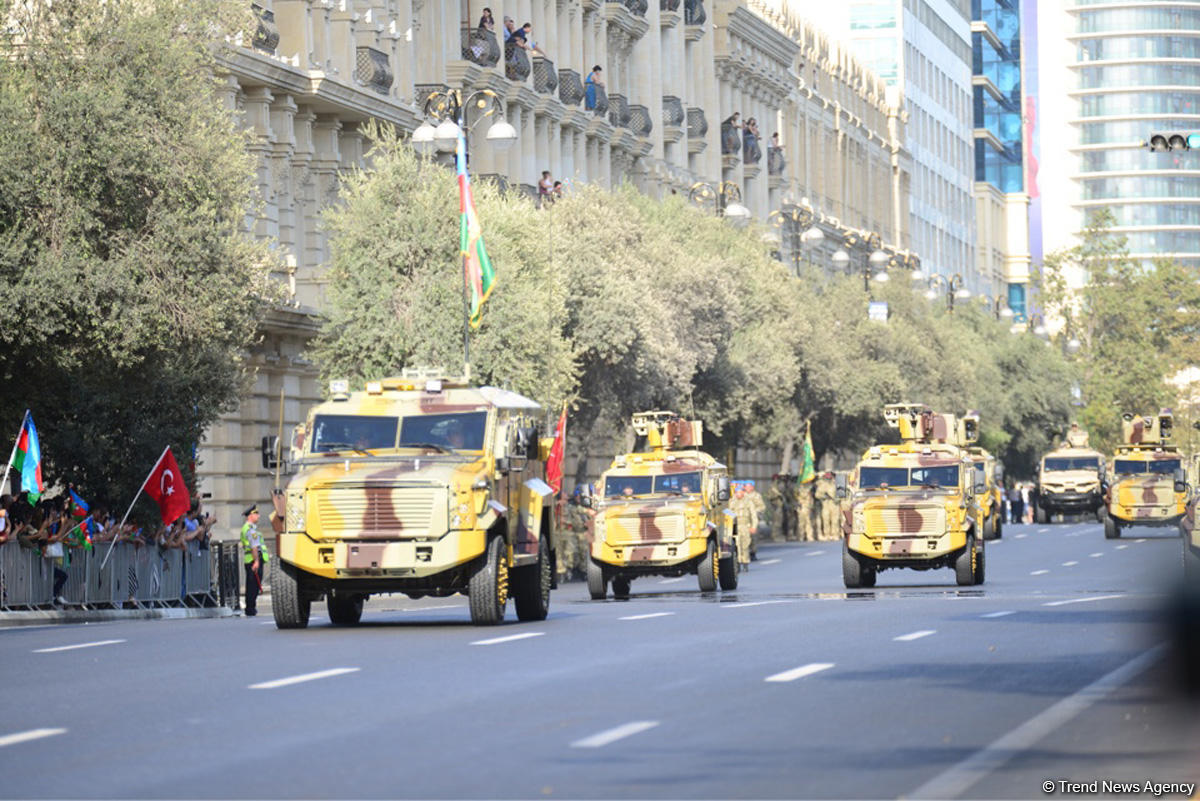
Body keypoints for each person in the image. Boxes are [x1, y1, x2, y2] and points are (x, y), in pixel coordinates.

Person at [240, 504, 269, 617]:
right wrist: (256, 561)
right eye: (256, 513)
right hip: (253, 560)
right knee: (253, 586)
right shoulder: (250, 529)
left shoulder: (249, 528)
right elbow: (254, 546)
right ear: (250, 515)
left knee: (252, 585)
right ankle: (250, 608)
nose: (258, 516)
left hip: (251, 559)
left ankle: (251, 607)